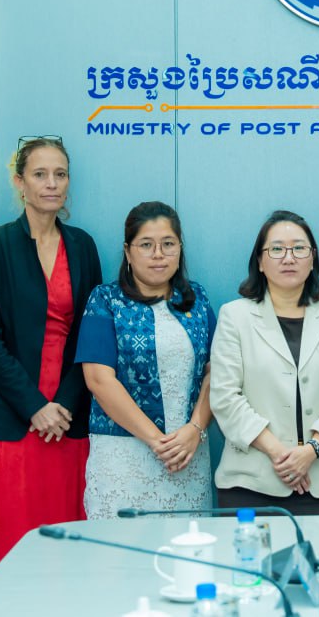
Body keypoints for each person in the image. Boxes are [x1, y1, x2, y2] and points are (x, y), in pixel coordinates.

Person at [0, 136, 102, 589]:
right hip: (8, 417)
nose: (51, 183)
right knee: (0, 553)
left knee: (62, 556)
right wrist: (35, 407)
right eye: (40, 174)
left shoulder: (83, 246)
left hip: (66, 418)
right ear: (20, 182)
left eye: (60, 174)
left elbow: (90, 335)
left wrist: (62, 406)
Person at [210, 210, 319, 513]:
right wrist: (281, 455)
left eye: (299, 248)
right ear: (260, 261)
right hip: (250, 482)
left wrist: (311, 451)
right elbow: (225, 398)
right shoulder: (234, 316)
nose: (289, 258)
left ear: (312, 258)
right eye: (277, 249)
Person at [76, 202, 217, 517]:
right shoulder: (106, 300)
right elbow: (99, 379)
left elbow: (217, 371)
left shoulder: (197, 299)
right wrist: (157, 441)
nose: (158, 254)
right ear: (128, 252)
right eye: (146, 245)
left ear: (179, 249)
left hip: (188, 453)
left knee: (188, 544)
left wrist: (195, 429)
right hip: (123, 458)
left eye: (168, 244)